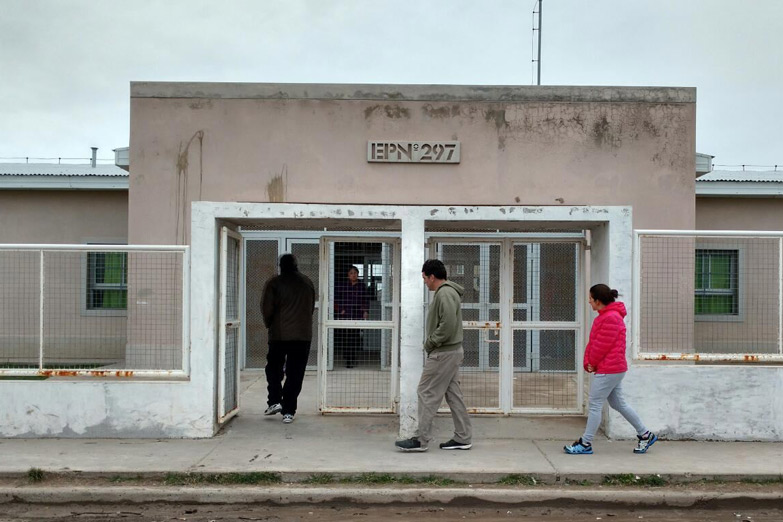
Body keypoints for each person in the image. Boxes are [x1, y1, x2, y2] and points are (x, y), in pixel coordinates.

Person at [564, 284, 657, 455]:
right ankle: (645, 434)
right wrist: (590, 362)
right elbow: (597, 343)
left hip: (609, 369)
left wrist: (592, 362)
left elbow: (601, 346)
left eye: (591, 300)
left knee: (594, 405)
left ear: (598, 301)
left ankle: (585, 443)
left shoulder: (611, 318)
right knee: (618, 403)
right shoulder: (608, 316)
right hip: (612, 368)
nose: (589, 303)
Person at [395, 259, 473, 452]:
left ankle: (421, 440)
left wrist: (430, 342)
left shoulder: (445, 293)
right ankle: (463, 437)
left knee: (425, 391)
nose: (424, 282)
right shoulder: (448, 292)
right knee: (453, 395)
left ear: (432, 276)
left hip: (444, 352)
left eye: (424, 278)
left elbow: (447, 325)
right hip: (451, 351)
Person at [261, 253, 315, 424]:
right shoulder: (307, 282)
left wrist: (269, 324)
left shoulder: (274, 283)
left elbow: (267, 309)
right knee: (295, 373)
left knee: (274, 369)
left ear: (280, 265)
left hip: (279, 335)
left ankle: (275, 401)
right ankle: (289, 411)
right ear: (296, 264)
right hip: (302, 336)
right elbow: (310, 307)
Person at [334, 265, 369, 368]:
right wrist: (341, 310)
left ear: (358, 274)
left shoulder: (361, 286)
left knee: (355, 338)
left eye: (355, 273)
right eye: (351, 273)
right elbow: (335, 299)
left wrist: (365, 311)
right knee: (346, 338)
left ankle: (353, 357)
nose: (354, 275)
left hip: (357, 315)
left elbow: (365, 300)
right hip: (346, 315)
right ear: (348, 275)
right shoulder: (343, 286)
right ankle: (348, 360)